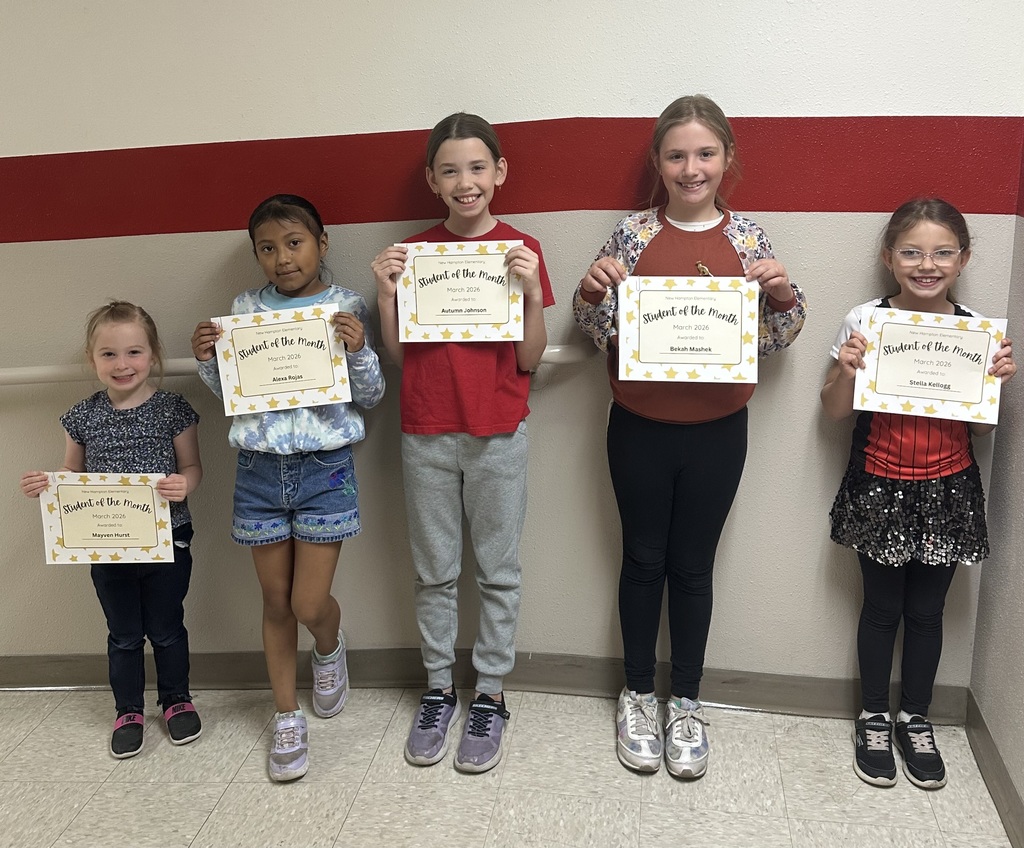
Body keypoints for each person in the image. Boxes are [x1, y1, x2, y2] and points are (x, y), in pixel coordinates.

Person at [573, 95, 807, 778]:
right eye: (676, 154)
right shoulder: (632, 235)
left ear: (727, 160)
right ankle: (638, 693)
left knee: (694, 568)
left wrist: (784, 296)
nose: (691, 167)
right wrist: (591, 295)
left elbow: (778, 342)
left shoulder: (749, 240)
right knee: (643, 560)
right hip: (639, 428)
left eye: (705, 153)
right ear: (658, 162)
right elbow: (595, 336)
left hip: (718, 431)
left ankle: (688, 701)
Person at [371, 112, 555, 773]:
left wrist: (532, 291)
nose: (465, 181)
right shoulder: (413, 253)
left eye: (477, 167)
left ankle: (491, 695)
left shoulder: (522, 250)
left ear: (499, 172)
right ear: (432, 180)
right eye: (450, 170)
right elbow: (397, 356)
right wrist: (386, 294)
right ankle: (439, 688)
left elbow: (531, 357)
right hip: (426, 431)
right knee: (434, 571)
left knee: (498, 571)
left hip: (499, 432)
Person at [821, 197, 1016, 790]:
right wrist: (848, 372)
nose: (925, 264)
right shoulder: (864, 320)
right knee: (881, 609)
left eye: (941, 253)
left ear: (963, 259)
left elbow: (981, 431)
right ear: (889, 257)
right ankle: (875, 716)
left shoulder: (976, 331)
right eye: (911, 251)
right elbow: (831, 414)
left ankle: (916, 717)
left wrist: (994, 383)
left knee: (926, 613)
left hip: (949, 488)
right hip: (878, 483)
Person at [191, 194, 385, 782]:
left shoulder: (346, 306)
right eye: (267, 248)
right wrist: (208, 359)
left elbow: (371, 396)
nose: (282, 258)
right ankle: (285, 715)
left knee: (306, 604)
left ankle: (329, 647)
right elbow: (232, 392)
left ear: (322, 244)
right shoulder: (245, 308)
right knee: (275, 603)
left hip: (325, 471)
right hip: (258, 471)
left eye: (294, 243)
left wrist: (357, 351)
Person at [21, 301, 204, 759]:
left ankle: (176, 699)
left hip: (169, 542)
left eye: (134, 353)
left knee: (166, 628)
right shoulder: (81, 416)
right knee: (123, 634)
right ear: (92, 359)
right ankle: (128, 709)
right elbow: (71, 475)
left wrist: (186, 485)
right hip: (107, 550)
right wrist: (49, 485)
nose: (122, 365)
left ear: (153, 355)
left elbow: (193, 466)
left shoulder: (172, 410)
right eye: (109, 355)